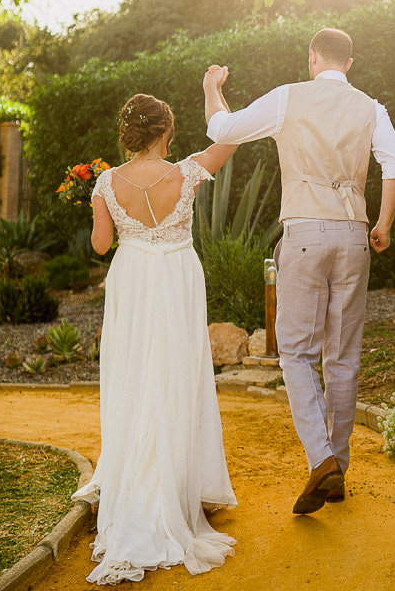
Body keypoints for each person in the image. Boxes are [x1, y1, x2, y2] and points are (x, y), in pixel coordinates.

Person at [202, 27, 395, 515]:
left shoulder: (287, 98)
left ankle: (322, 461)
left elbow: (221, 133)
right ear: (349, 64)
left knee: (295, 352)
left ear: (313, 57)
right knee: (343, 357)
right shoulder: (371, 107)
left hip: (304, 236)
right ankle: (338, 463)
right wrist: (383, 225)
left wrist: (213, 88)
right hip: (354, 236)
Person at [72, 93, 239, 584]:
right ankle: (179, 484)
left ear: (129, 134)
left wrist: (96, 208)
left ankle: (137, 485)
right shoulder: (187, 172)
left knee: (133, 375)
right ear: (166, 132)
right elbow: (227, 135)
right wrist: (214, 91)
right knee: (176, 374)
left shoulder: (106, 181)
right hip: (178, 279)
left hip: (133, 279)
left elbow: (101, 244)